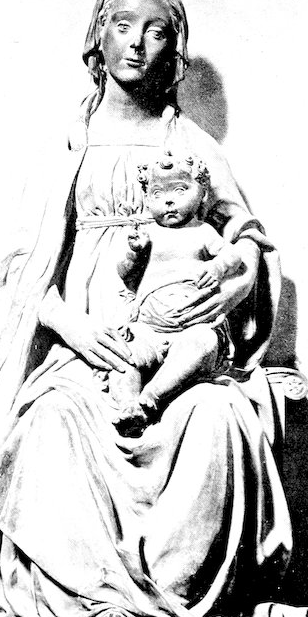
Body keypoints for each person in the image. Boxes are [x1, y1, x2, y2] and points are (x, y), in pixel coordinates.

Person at [0, 0, 294, 617]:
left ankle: (169, 598)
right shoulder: (69, 145)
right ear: (99, 37)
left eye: (156, 31)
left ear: (174, 49)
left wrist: (237, 273)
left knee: (219, 417)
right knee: (51, 421)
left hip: (173, 346)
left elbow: (246, 236)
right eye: (123, 25)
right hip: (81, 346)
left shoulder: (189, 145)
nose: (138, 43)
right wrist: (74, 329)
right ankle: (93, 603)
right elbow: (21, 269)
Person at [109, 149, 245, 437]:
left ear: (202, 194)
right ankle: (127, 405)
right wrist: (133, 253)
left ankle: (151, 398)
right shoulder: (148, 235)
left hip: (190, 329)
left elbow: (233, 257)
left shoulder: (203, 232)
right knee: (124, 353)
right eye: (157, 194)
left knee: (203, 342)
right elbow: (124, 273)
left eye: (179, 190)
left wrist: (218, 267)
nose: (168, 200)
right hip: (148, 329)